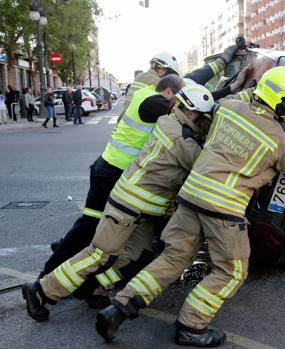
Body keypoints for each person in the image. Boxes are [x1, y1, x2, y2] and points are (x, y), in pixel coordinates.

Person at [95, 66, 285, 347]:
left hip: (191, 197)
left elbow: (215, 109)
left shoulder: (227, 109)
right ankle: (191, 325)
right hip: (224, 209)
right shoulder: (279, 139)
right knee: (232, 271)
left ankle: (117, 309)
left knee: (172, 259)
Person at [22, 83, 215, 322]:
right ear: (193, 113)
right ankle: (40, 291)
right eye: (204, 119)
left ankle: (89, 286)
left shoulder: (168, 121)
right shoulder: (182, 140)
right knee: (99, 254)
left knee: (134, 253)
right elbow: (206, 168)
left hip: (141, 208)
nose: (204, 125)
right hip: (129, 204)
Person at [37, 75, 185, 285]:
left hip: (106, 167)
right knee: (95, 229)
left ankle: (63, 270)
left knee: (92, 226)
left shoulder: (144, 93)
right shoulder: (153, 102)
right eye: (178, 95)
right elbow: (180, 106)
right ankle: (48, 277)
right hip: (114, 173)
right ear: (169, 91)